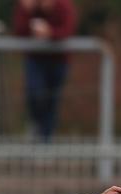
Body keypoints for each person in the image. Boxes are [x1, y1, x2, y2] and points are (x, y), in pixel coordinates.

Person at [12, 0, 78, 142]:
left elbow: (67, 31)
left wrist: (49, 33)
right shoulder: (29, 6)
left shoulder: (63, 6)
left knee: (52, 103)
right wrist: (25, 11)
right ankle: (34, 125)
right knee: (35, 93)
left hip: (58, 61)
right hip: (35, 60)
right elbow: (19, 31)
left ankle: (46, 142)